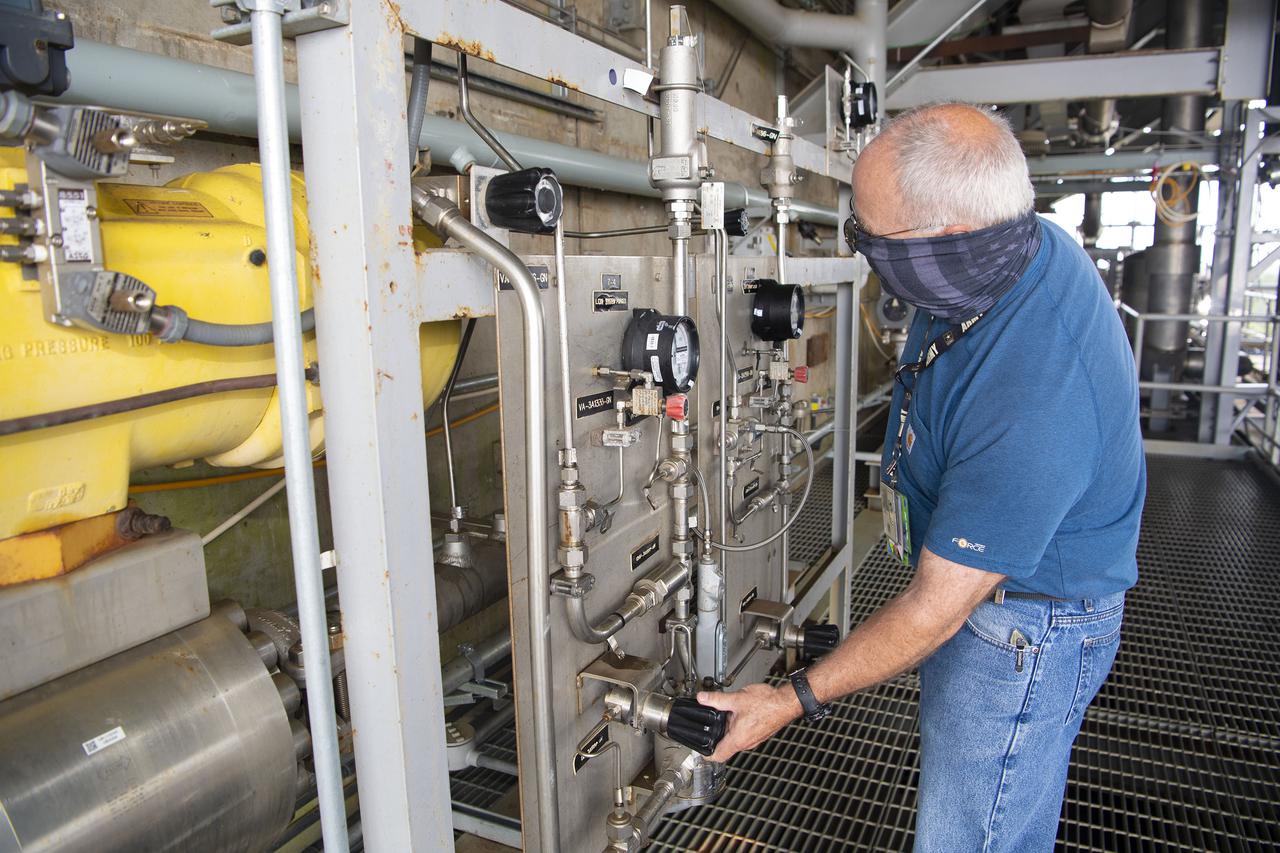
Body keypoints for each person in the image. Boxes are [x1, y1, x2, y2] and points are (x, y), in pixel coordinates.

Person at [697, 102, 1146, 852]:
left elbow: (936, 608)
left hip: (1023, 627)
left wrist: (787, 697)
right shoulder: (1002, 254)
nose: (859, 242)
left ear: (947, 238)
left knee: (972, 834)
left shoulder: (1030, 398)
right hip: (989, 596)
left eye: (870, 234)